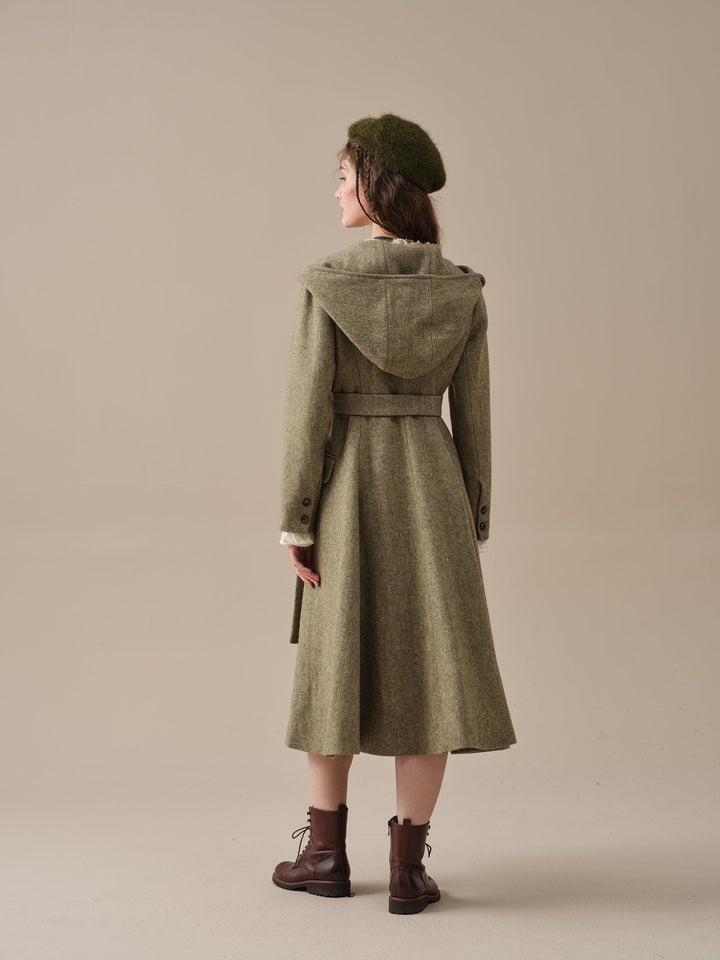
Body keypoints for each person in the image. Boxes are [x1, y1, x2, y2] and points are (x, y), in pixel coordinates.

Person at [273, 113, 517, 915]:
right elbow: (474, 414)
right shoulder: (460, 290)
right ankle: (409, 872)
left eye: (345, 177)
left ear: (376, 186)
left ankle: (326, 856)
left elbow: (307, 412)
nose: (336, 191)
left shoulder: (327, 283)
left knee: (333, 665)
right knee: (434, 677)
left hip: (346, 490)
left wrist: (296, 519)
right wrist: (472, 513)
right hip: (432, 489)